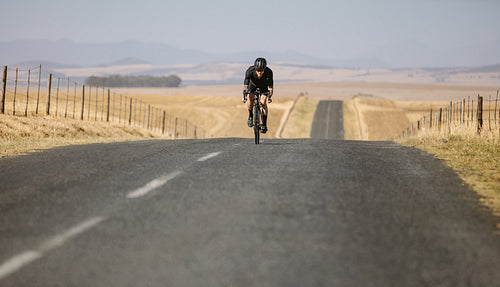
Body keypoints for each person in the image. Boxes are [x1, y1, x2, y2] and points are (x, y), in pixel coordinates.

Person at [242, 57, 274, 133]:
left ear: (265, 69)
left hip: (264, 85)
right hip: (252, 85)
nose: (260, 72)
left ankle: (264, 124)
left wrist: (269, 97)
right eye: (258, 70)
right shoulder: (250, 71)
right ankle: (250, 115)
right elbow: (245, 87)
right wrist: (244, 96)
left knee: (263, 102)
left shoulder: (269, 72)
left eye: (262, 70)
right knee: (251, 98)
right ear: (255, 69)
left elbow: (270, 88)